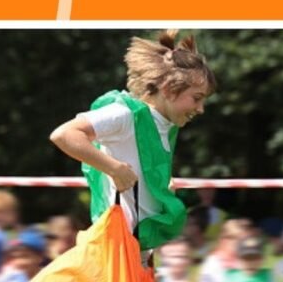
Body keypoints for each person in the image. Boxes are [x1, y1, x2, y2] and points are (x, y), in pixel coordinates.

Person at [50, 29, 216, 256]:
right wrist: (114, 168)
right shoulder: (125, 114)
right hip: (114, 252)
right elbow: (65, 134)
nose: (201, 109)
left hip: (138, 253)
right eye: (197, 98)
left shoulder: (166, 126)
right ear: (168, 89)